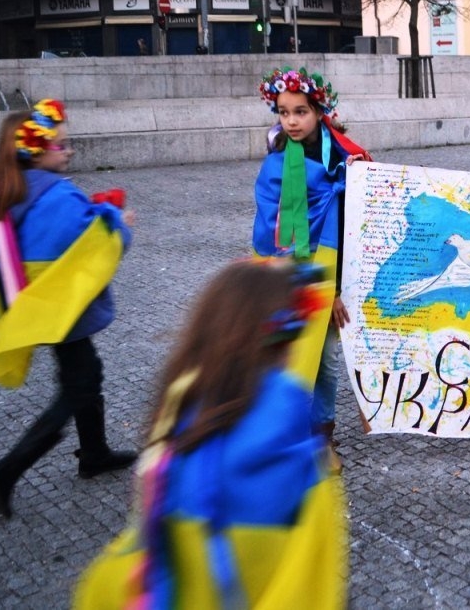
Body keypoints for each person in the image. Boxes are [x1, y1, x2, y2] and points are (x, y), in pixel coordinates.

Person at [74, 259, 348, 609]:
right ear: (286, 345)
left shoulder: (173, 432)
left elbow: (139, 555)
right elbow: (312, 584)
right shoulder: (303, 464)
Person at [0, 100, 137, 519]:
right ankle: (6, 471)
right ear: (35, 151)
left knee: (85, 373)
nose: (69, 150)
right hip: (66, 307)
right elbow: (89, 239)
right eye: (61, 145)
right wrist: (118, 222)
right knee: (78, 386)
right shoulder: (55, 193)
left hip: (43, 304)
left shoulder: (10, 191)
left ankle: (95, 453)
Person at [254, 67, 370, 453]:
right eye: (284, 112)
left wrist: (334, 290)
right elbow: (271, 225)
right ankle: (288, 429)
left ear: (319, 112)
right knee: (289, 353)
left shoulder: (345, 158)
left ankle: (323, 434)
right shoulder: (276, 162)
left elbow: (354, 222)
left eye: (300, 112)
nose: (291, 121)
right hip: (288, 273)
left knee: (326, 361)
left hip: (333, 273)